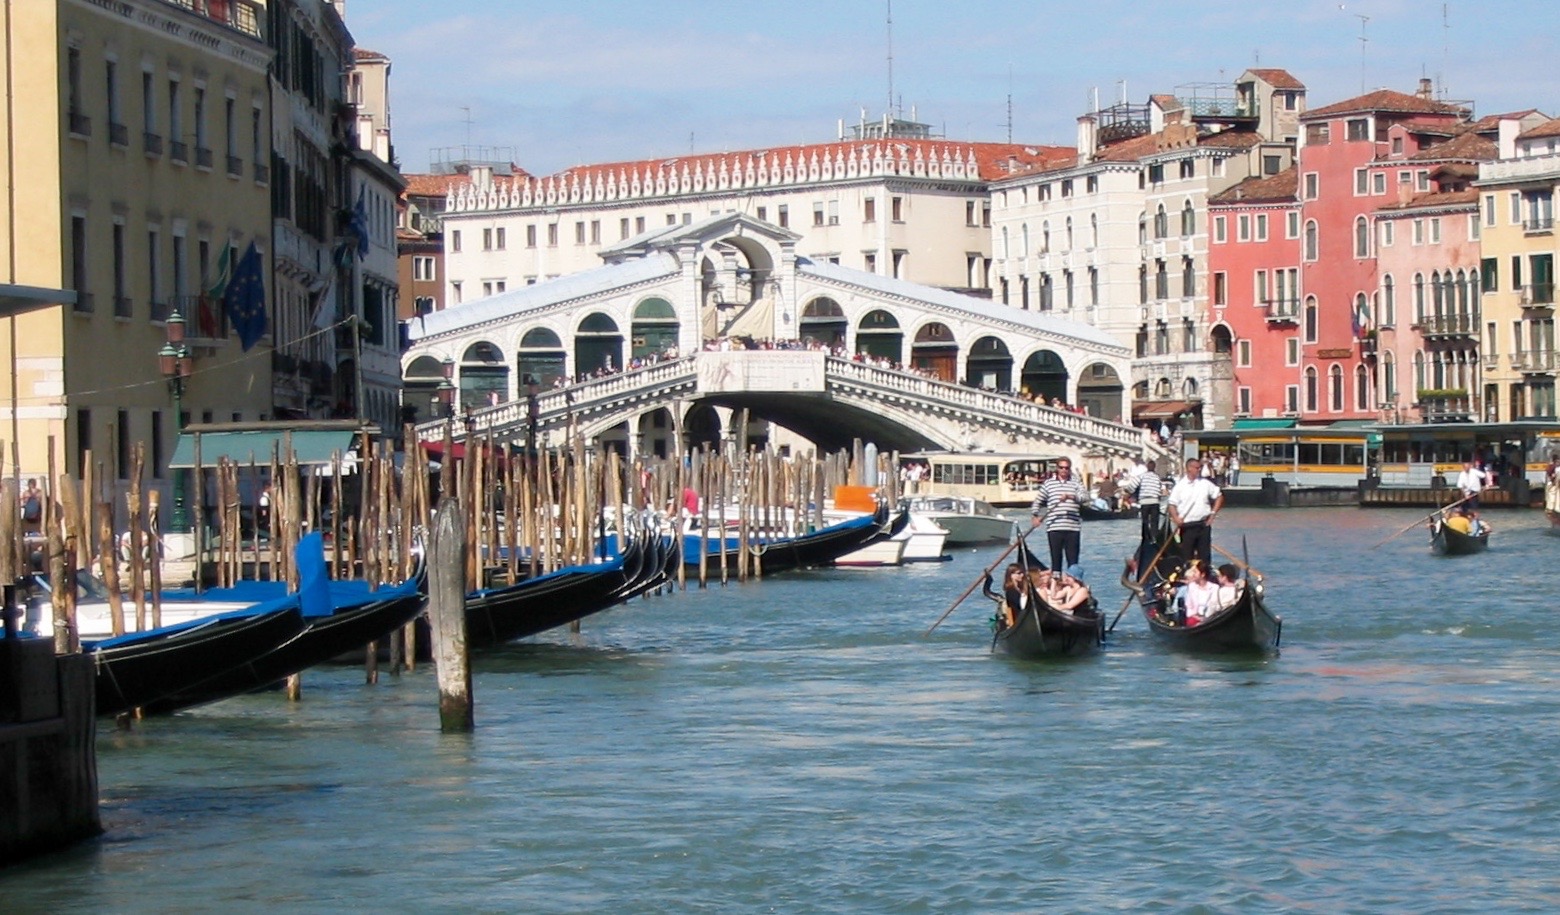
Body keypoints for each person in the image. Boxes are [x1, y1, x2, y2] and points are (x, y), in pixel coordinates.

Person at [1031, 457, 1088, 573]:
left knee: (1073, 563)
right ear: (1057, 468)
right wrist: (1035, 515)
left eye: (1066, 468)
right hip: (1054, 527)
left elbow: (1085, 497)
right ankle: (1056, 581)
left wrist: (1070, 496)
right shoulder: (1049, 483)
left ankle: (1072, 582)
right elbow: (1038, 501)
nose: (1064, 470)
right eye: (1061, 467)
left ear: (1069, 469)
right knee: (1056, 561)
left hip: (1073, 527)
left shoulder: (1076, 482)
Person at [1166, 457, 1223, 570]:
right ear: (1189, 468)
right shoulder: (1180, 486)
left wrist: (1213, 514)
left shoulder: (1205, 484)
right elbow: (1171, 505)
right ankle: (1188, 575)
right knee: (1187, 556)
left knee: (1204, 557)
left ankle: (1205, 575)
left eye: (1200, 467)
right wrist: (1176, 518)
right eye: (1197, 468)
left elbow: (1219, 496)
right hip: (1187, 526)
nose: (1199, 470)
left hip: (1203, 524)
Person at [1180, 561, 1220, 626]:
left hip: (1210, 618)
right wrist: (1196, 617)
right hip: (1194, 617)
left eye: (1195, 572)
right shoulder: (1192, 586)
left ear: (1202, 574)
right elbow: (1188, 605)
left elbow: (1214, 605)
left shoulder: (1215, 587)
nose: (1193, 575)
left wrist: (1205, 619)